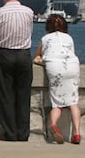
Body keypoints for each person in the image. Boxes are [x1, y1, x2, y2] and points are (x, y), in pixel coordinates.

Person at [0, 0, 34, 141]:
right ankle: (23, 133)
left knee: (6, 95)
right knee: (23, 95)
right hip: (24, 55)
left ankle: (10, 134)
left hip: (5, 54)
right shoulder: (29, 12)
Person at [33, 14, 81, 145]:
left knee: (57, 103)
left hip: (55, 67)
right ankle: (76, 133)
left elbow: (37, 56)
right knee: (73, 102)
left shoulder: (45, 38)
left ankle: (53, 124)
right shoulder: (69, 38)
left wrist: (42, 60)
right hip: (72, 66)